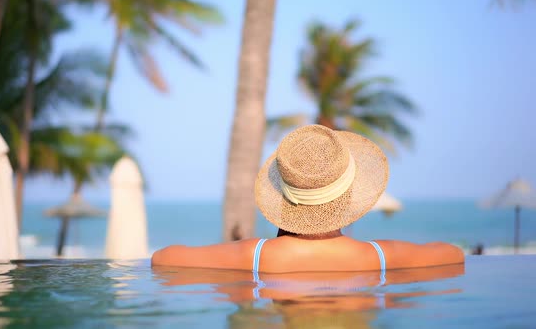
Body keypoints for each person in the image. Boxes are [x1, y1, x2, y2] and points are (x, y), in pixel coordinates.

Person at [152, 125, 464, 273]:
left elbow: (162, 259)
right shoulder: (380, 257)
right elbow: (454, 255)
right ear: (350, 193)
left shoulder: (254, 257)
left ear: (284, 195)